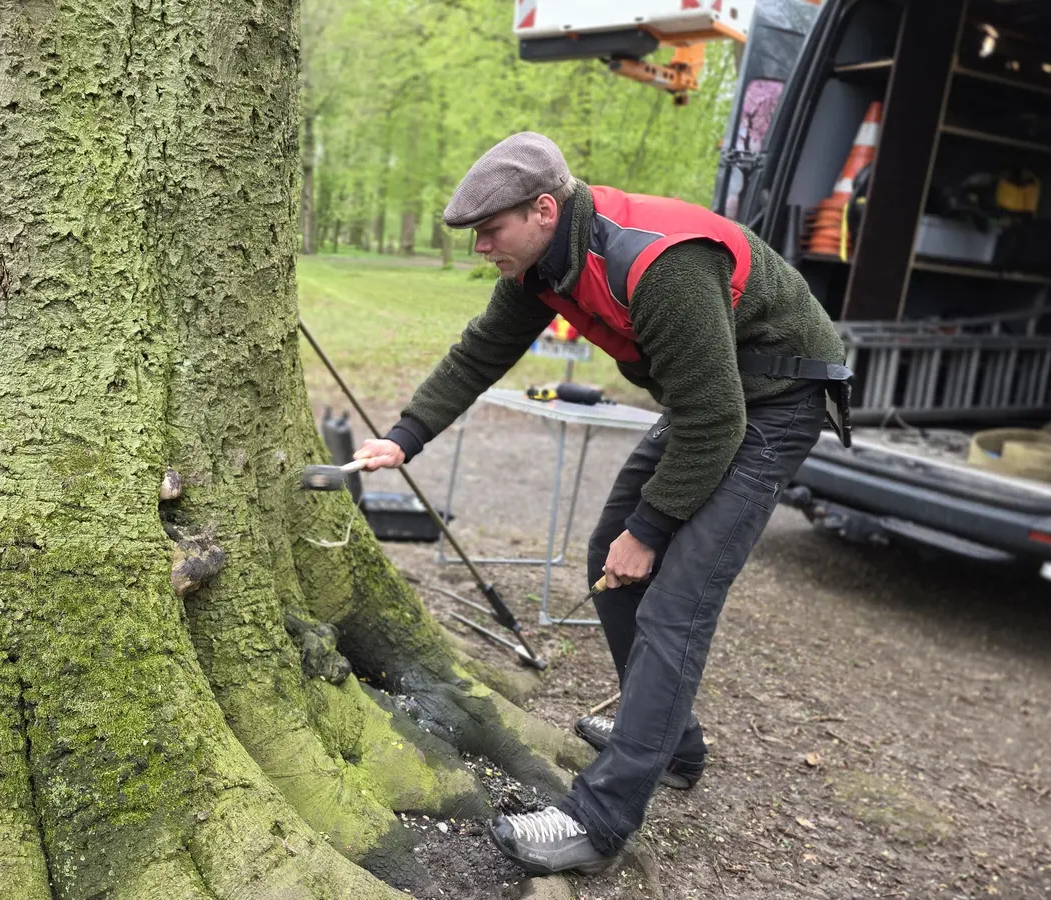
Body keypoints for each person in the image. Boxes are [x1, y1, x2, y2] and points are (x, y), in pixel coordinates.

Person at [351, 132, 848, 875]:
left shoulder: (660, 266)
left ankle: (598, 822)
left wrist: (650, 529)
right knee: (606, 558)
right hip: (714, 400)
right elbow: (481, 351)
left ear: (543, 210)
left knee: (675, 601)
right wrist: (405, 437)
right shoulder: (541, 268)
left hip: (773, 401)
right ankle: (671, 744)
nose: (481, 247)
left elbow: (717, 421)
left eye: (491, 230)